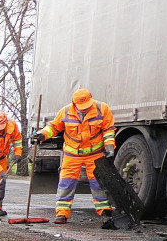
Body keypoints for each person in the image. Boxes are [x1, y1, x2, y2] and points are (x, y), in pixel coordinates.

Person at [33, 88, 116, 224]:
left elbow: (108, 130)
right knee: (66, 183)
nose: (84, 109)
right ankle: (62, 214)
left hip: (95, 154)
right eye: (81, 107)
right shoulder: (65, 111)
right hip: (72, 155)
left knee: (99, 183)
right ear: (74, 103)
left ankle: (105, 212)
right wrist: (42, 134)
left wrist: (110, 147)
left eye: (87, 106)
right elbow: (54, 127)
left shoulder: (102, 108)